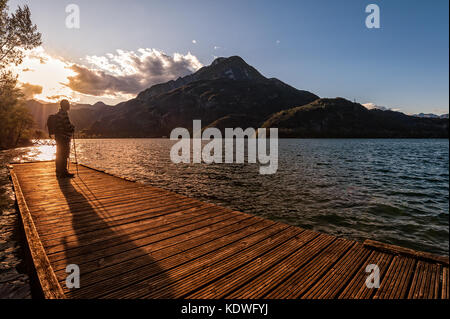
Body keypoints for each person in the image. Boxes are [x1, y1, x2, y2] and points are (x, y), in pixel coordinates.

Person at [55, 99, 75, 178]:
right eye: (68, 104)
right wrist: (72, 127)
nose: (69, 106)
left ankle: (58, 170)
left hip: (58, 137)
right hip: (64, 138)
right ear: (65, 105)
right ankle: (63, 172)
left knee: (59, 154)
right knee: (64, 154)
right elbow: (67, 126)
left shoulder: (58, 114)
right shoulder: (64, 114)